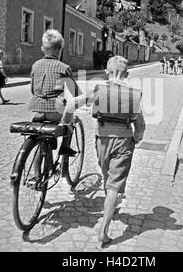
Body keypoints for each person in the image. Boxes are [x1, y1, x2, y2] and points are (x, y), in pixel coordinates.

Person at [61, 56, 146, 248]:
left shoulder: (98, 90)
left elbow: (70, 105)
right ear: (127, 74)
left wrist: (66, 124)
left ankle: (110, 206)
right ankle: (104, 232)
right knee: (114, 185)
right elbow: (140, 125)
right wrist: (138, 138)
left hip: (101, 140)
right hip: (124, 142)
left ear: (106, 72)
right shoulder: (132, 95)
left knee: (108, 179)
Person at [29, 29, 82, 157]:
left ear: (43, 48)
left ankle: (37, 173)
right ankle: (65, 147)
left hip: (37, 111)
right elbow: (75, 92)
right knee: (71, 119)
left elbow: (32, 90)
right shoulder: (63, 67)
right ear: (59, 50)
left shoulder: (36, 65)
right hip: (56, 112)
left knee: (41, 138)